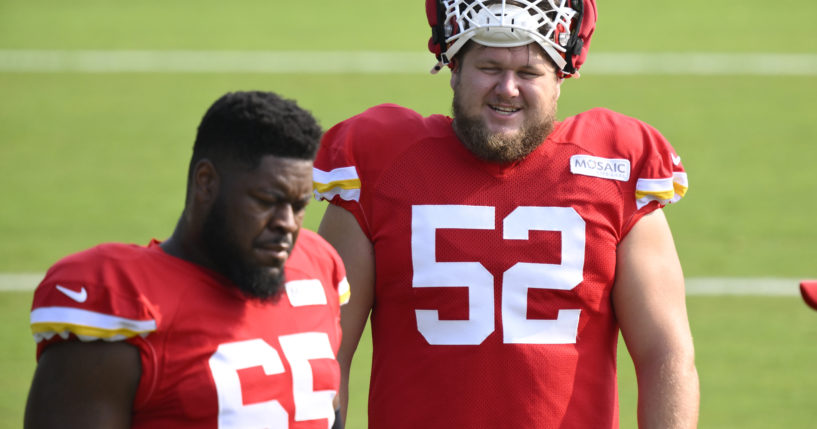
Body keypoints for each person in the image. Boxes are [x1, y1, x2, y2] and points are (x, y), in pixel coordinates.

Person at [313, 0, 699, 428]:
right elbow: (326, 349)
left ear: (560, 79)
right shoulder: (380, 163)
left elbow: (666, 353)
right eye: (489, 66)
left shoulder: (615, 168)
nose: (507, 88)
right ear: (455, 67)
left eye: (529, 72)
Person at [25, 91, 350, 429]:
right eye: (267, 200)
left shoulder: (315, 265)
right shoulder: (124, 302)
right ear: (206, 182)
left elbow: (327, 408)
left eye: (299, 206)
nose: (287, 223)